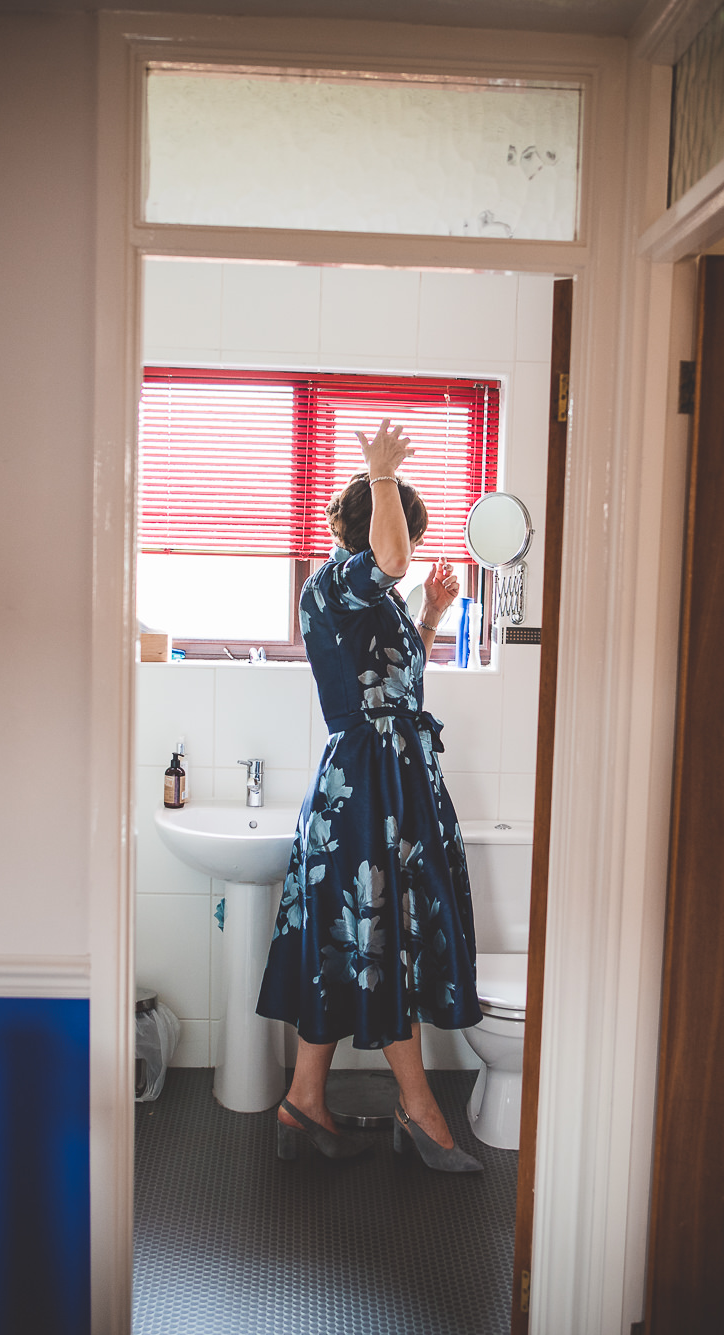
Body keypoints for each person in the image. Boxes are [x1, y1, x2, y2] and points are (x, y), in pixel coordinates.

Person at [256, 419, 484, 1173]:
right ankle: (419, 1109)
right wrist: (383, 471)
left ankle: (303, 1101)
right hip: (368, 785)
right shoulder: (338, 578)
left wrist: (429, 618)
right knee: (377, 937)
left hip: (391, 780)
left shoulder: (370, 600)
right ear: (373, 522)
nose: (409, 551)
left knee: (349, 939)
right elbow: (389, 558)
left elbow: (392, 669)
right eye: (404, 533)